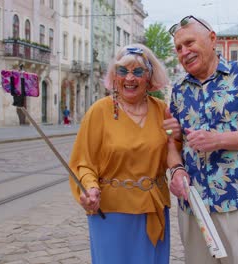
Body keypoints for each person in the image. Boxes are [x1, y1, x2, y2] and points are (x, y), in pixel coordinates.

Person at [163, 16, 238, 264]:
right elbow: (173, 144)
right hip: (195, 205)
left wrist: (218, 140)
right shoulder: (179, 89)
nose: (184, 52)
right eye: (178, 48)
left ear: (212, 39)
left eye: (189, 43)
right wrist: (176, 169)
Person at [68, 43, 172, 264]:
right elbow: (83, 163)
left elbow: (171, 157)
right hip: (111, 211)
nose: (129, 78)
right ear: (114, 77)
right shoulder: (99, 111)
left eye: (138, 72)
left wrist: (179, 137)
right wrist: (90, 188)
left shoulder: (162, 111)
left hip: (152, 209)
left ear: (150, 76)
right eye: (122, 71)